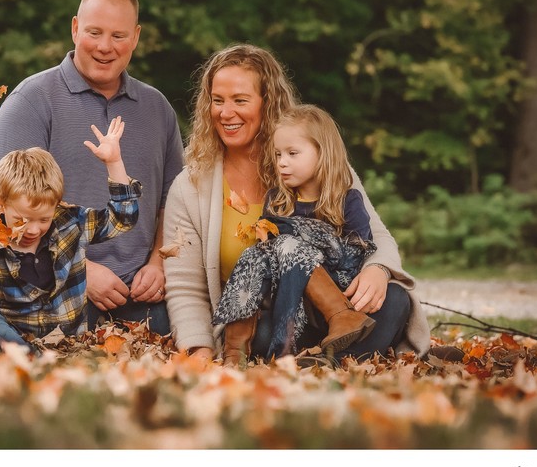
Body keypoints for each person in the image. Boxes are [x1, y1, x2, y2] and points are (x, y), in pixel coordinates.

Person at [162, 44, 433, 364]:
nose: (225, 112)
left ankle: (323, 360)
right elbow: (185, 286)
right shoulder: (191, 186)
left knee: (396, 299)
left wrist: (377, 269)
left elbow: (377, 236)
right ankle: (323, 362)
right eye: (217, 101)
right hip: (271, 320)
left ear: (268, 103)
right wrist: (199, 347)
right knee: (264, 328)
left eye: (240, 100)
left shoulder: (318, 163)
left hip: (342, 309)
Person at [0, 0, 184, 335]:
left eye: (119, 35)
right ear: (75, 29)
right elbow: (3, 216)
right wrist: (80, 269)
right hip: (49, 292)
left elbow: (173, 202)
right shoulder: (30, 100)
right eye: (94, 32)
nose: (106, 47)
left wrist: (158, 263)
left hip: (140, 291)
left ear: (136, 38)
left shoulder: (157, 110)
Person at [0, 117, 142, 353]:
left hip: (68, 342)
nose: (34, 229)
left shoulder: (69, 223)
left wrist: (114, 162)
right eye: (22, 220)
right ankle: (25, 356)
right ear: (1, 202)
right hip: (14, 340)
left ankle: (39, 358)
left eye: (44, 219)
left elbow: (122, 218)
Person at [213, 104, 379, 365]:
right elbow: (267, 260)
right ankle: (235, 353)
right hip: (286, 300)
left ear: (322, 153)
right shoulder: (277, 200)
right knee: (255, 256)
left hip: (337, 288)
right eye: (278, 154)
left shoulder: (347, 199)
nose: (282, 162)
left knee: (288, 241)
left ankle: (338, 316)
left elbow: (355, 256)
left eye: (292, 153)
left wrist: (297, 235)